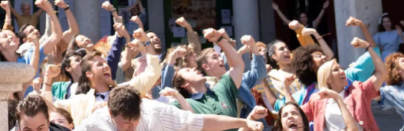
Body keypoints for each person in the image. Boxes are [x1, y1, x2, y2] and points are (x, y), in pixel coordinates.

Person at [80, 86, 265, 131]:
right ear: (111, 114)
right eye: (126, 124)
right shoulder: (94, 124)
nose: (131, 128)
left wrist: (244, 122)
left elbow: (202, 122)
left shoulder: (155, 112)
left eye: (134, 122)